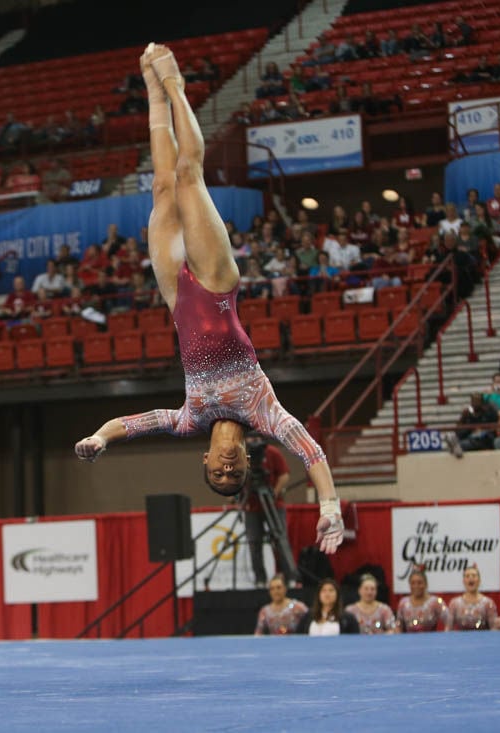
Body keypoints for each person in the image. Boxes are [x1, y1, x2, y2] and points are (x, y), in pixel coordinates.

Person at [74, 44, 344, 554]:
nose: (225, 468)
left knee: (159, 188)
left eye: (217, 475)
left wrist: (99, 439)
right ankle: (175, 84)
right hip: (216, 285)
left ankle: (153, 94)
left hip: (177, 297)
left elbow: (132, 424)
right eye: (232, 472)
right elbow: (309, 451)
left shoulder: (188, 419)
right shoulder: (264, 413)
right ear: (246, 460)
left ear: (203, 461)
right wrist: (330, 508)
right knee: (187, 176)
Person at [238, 438, 289, 588]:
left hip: (273, 504)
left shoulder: (272, 452)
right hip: (251, 506)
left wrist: (275, 492)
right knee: (254, 542)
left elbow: (284, 475)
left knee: (280, 539)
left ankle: (289, 576)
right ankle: (260, 579)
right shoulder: (239, 454)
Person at [446, 566, 500, 630]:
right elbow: (448, 629)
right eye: (467, 576)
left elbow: (494, 628)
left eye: (474, 575)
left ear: (479, 580)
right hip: (461, 639)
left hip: (483, 639)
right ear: (463, 581)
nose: (470, 578)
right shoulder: (454, 603)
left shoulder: (488, 603)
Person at [396, 568, 448, 632]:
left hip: (430, 640)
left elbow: (449, 622)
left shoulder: (435, 602)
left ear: (426, 584)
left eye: (420, 583)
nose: (416, 586)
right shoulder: (403, 603)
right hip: (409, 640)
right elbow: (398, 626)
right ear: (409, 585)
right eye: (413, 583)